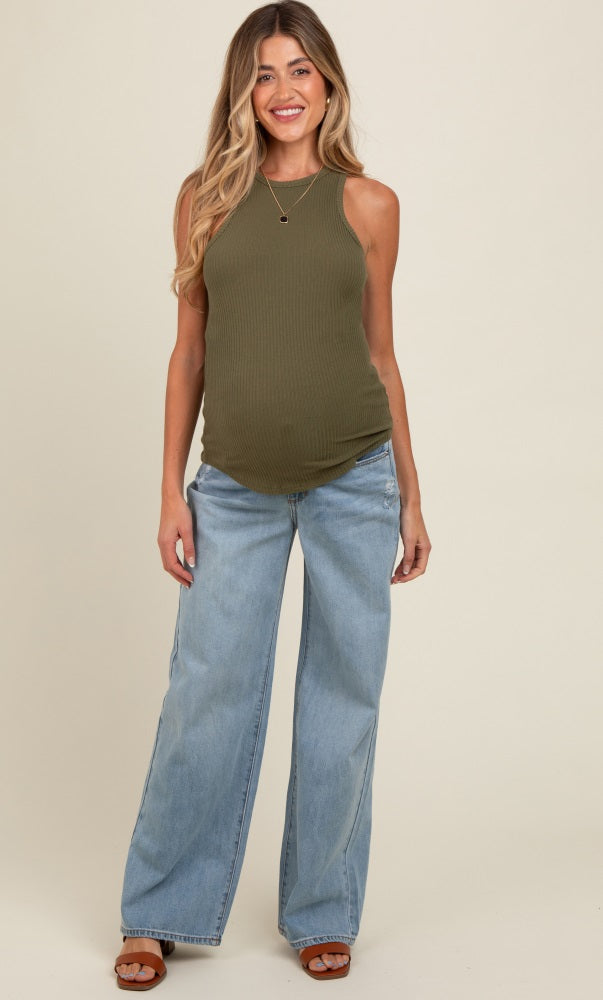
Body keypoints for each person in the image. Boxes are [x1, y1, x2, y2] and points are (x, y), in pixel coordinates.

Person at [113, 0, 431, 988]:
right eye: (262, 73)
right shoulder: (204, 198)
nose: (282, 90)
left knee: (342, 701)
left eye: (299, 69)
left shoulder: (368, 204)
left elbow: (381, 356)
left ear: (327, 84)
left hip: (353, 481)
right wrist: (171, 491)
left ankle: (322, 911)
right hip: (235, 489)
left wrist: (410, 496)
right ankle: (158, 909)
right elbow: (188, 353)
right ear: (241, 91)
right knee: (204, 695)